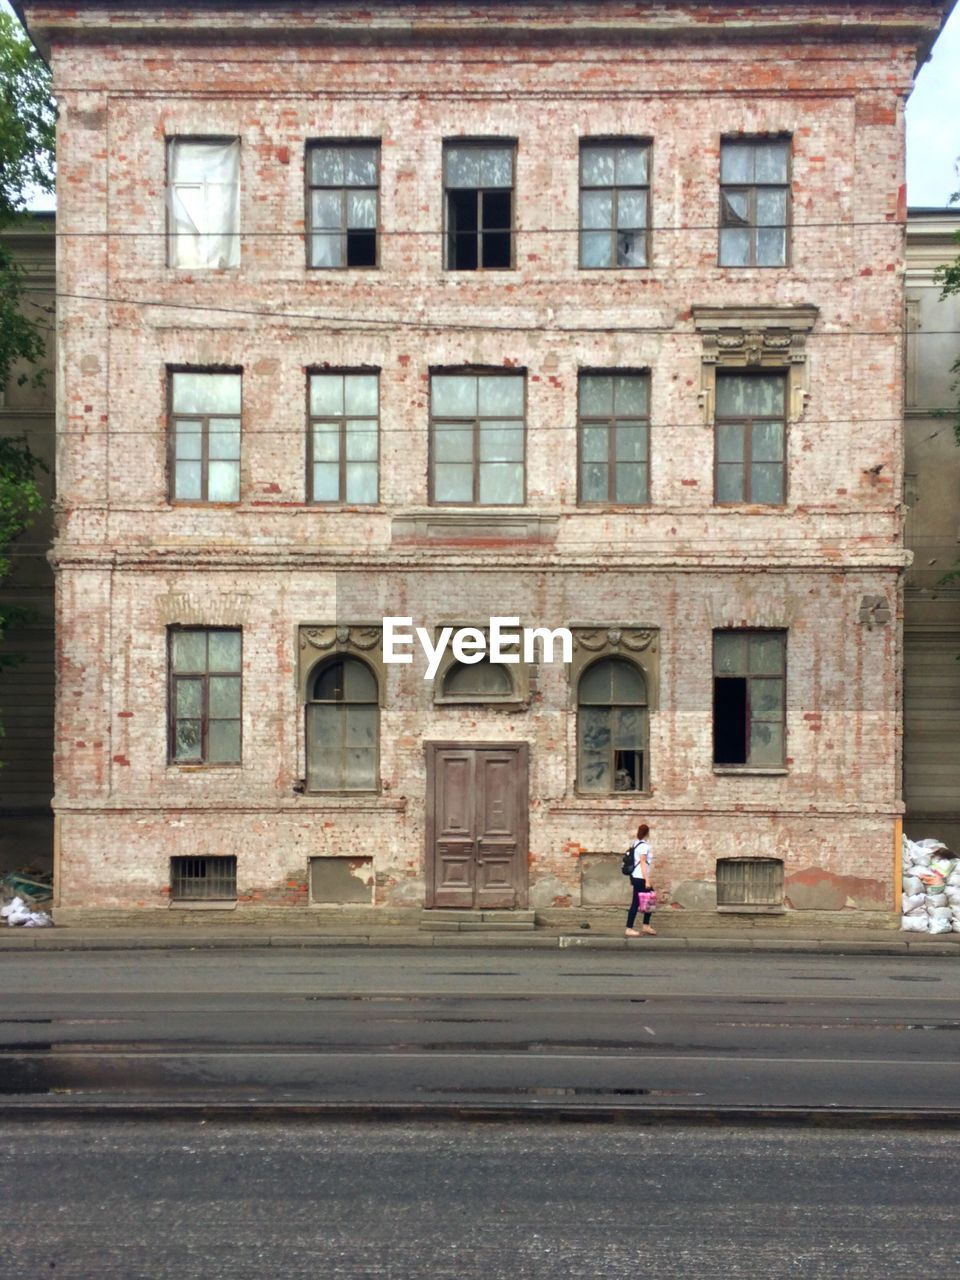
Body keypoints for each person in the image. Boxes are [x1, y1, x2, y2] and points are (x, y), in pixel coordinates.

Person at [625, 822, 656, 937]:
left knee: (650, 900)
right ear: (647, 833)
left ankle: (646, 925)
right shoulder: (643, 846)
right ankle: (629, 928)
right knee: (636, 903)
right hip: (640, 877)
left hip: (636, 876)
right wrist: (647, 880)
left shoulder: (636, 843)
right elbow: (643, 863)